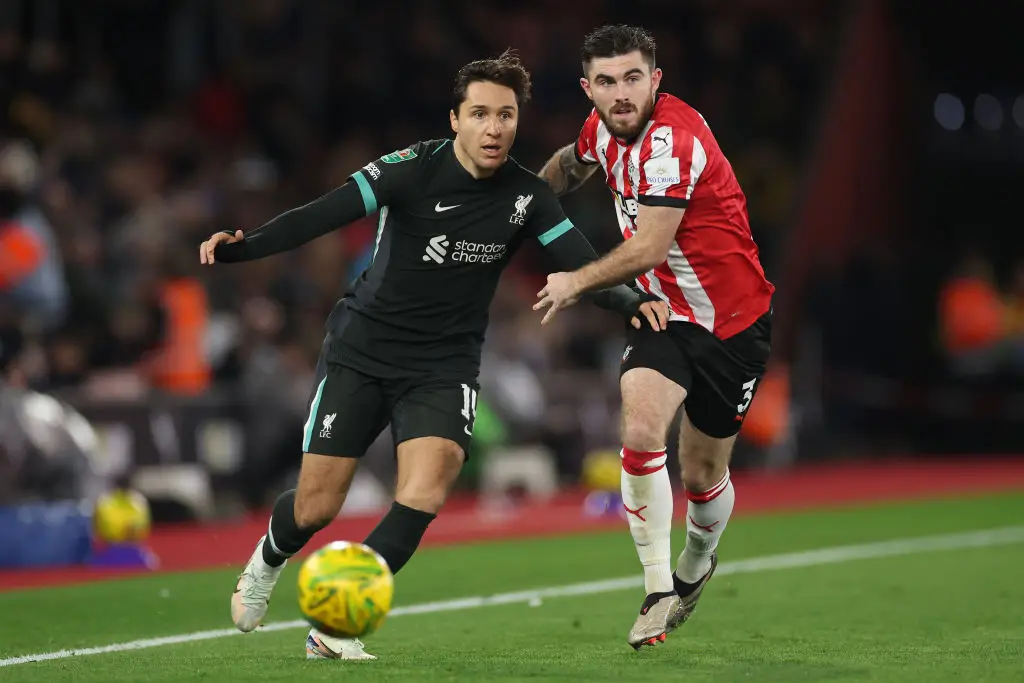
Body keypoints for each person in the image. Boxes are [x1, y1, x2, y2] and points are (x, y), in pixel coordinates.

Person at [199, 50, 669, 661]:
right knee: (315, 507)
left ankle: (335, 625)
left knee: (427, 485)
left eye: (506, 115)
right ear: (455, 120)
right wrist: (246, 247)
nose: (494, 128)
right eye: (480, 114)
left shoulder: (527, 197)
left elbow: (582, 263)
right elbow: (324, 213)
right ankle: (268, 559)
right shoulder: (410, 168)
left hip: (444, 365)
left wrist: (632, 301)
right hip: (362, 353)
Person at [535, 25, 775, 650]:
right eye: (607, 81)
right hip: (662, 313)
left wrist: (575, 281)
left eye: (633, 78)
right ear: (588, 88)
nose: (621, 93)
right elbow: (570, 165)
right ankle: (657, 588)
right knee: (640, 429)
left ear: (655, 80)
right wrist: (522, 198)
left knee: (702, 473)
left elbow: (649, 246)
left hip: (733, 323)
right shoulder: (601, 127)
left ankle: (696, 561)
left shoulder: (672, 140)